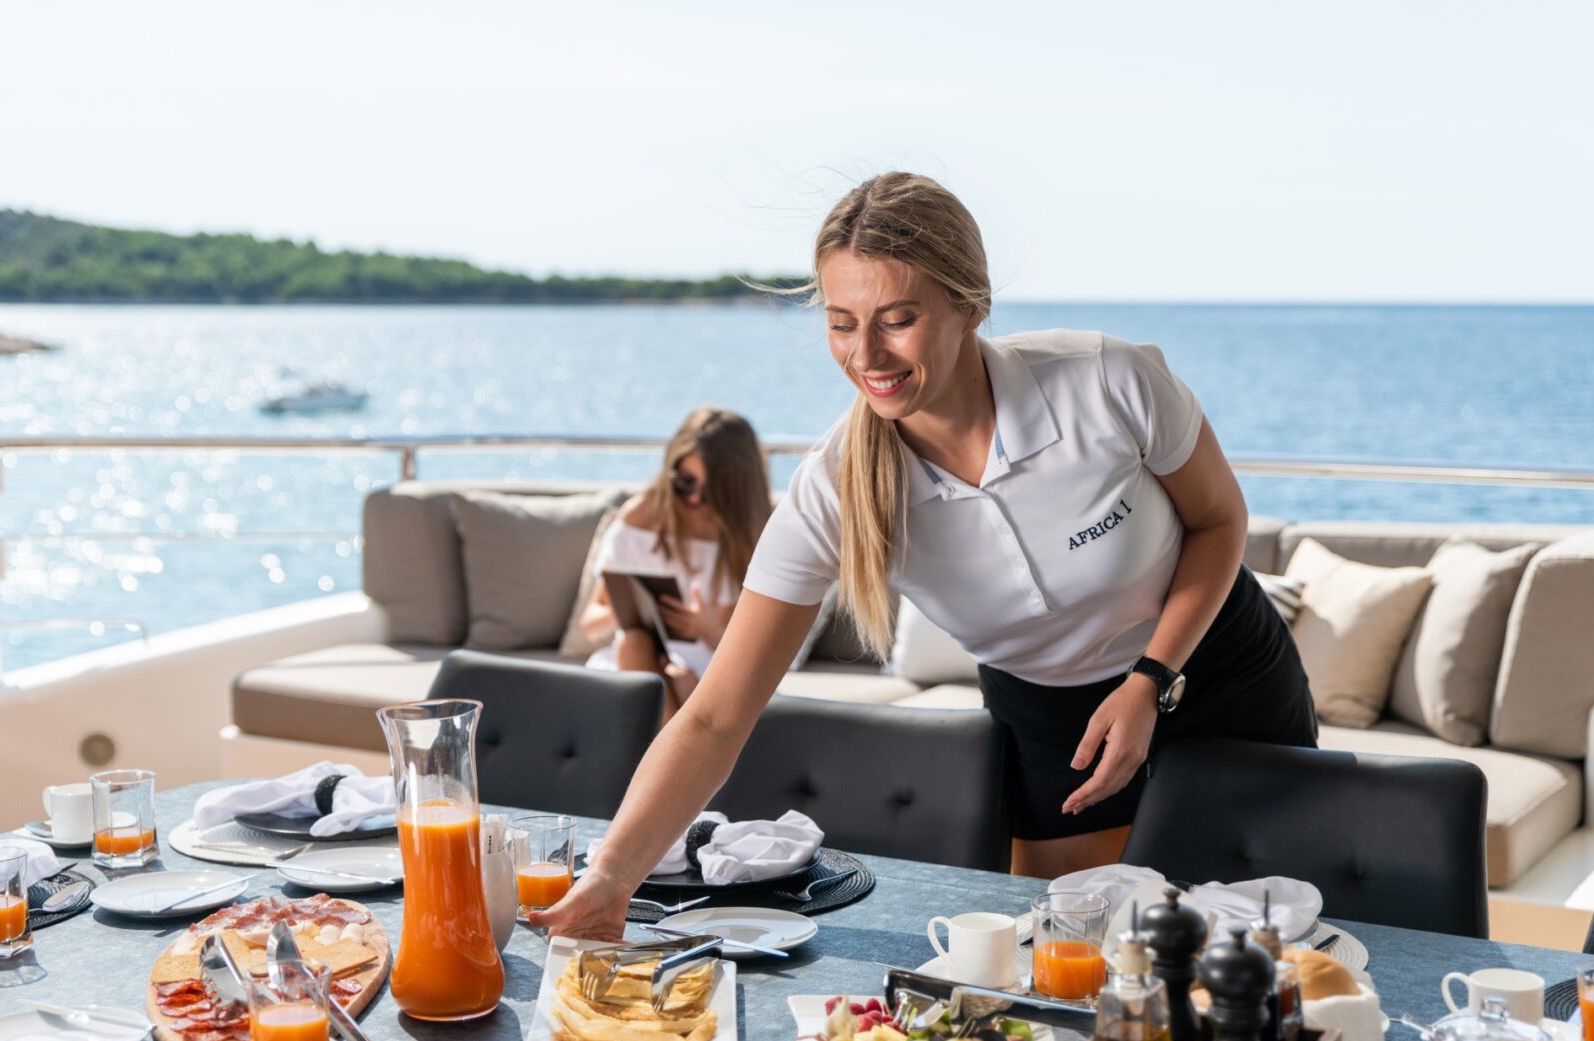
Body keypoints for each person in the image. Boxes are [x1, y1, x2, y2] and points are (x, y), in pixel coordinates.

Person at [534, 172, 1317, 941]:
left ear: (969, 303)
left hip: (1216, 671)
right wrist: (610, 877)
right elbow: (713, 715)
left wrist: (1150, 679)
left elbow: (1219, 523)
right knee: (1075, 953)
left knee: (1281, 943)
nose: (866, 353)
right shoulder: (834, 488)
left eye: (897, 319)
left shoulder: (1107, 380)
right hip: (1051, 723)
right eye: (842, 323)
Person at [577, 406, 771, 722]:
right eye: (684, 482)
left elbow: (758, 650)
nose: (693, 498)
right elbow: (589, 626)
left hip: (709, 663)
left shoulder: (751, 536)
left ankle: (659, 760)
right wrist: (626, 608)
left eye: (710, 491)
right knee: (635, 643)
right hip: (638, 658)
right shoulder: (640, 518)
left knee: (681, 680)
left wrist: (706, 628)